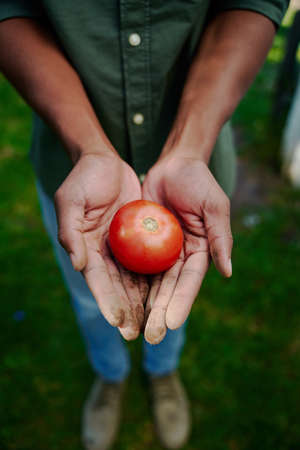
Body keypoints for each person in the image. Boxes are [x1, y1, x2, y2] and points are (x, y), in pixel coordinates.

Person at [0, 1, 288, 449]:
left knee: (173, 305)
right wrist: (89, 147)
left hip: (193, 177)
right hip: (77, 184)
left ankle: (163, 372)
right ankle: (109, 375)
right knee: (92, 300)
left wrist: (189, 149)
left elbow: (253, 3)